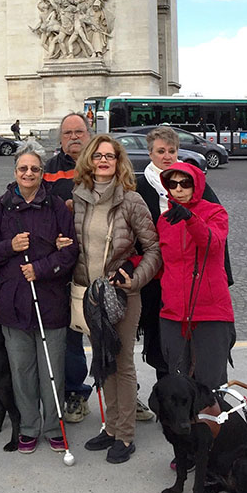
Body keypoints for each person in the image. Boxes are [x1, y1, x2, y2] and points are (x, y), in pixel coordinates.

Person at [0, 142, 78, 454]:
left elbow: (71, 250)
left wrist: (42, 268)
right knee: (22, 370)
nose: (29, 173)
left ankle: (54, 425)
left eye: (35, 169)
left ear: (42, 173)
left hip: (49, 298)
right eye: (23, 168)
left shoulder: (57, 207)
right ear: (15, 172)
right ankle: (29, 425)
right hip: (13, 302)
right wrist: (10, 246)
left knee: (52, 369)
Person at [72, 134, 161, 464]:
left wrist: (135, 279)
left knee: (121, 362)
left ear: (119, 161)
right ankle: (110, 427)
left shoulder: (132, 201)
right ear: (90, 161)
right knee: (103, 362)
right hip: (91, 295)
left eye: (110, 156)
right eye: (98, 156)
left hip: (122, 295)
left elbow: (153, 249)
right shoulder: (79, 197)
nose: (104, 161)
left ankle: (125, 434)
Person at [157, 162, 235, 392]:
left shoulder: (215, 212)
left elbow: (213, 243)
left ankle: (212, 426)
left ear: (196, 185)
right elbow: (162, 261)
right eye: (173, 184)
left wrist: (191, 219)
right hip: (173, 311)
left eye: (185, 183)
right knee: (179, 380)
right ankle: (183, 427)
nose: (179, 189)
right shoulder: (165, 220)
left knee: (210, 382)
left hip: (209, 311)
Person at [43, 112, 94, 424]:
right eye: (68, 133)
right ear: (60, 139)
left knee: (111, 335)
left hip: (102, 261)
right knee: (73, 334)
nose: (74, 137)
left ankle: (123, 391)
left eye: (79, 131)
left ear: (88, 133)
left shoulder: (105, 160)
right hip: (66, 265)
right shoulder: (48, 170)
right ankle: (75, 390)